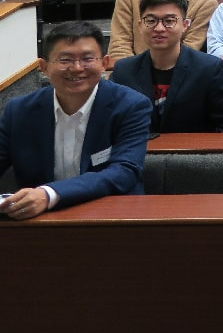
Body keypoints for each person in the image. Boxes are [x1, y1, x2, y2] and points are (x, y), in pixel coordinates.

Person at [0, 21, 151, 220]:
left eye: (87, 58)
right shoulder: (19, 110)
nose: (77, 68)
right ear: (43, 67)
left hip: (113, 218)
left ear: (104, 63)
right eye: (65, 60)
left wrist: (49, 194)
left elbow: (124, 171)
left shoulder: (131, 105)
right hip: (39, 222)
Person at [111, 0, 223, 133]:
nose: (159, 28)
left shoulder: (209, 69)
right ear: (140, 26)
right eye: (151, 21)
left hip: (193, 147)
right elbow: (111, 122)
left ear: (185, 25)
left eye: (169, 21)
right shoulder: (124, 71)